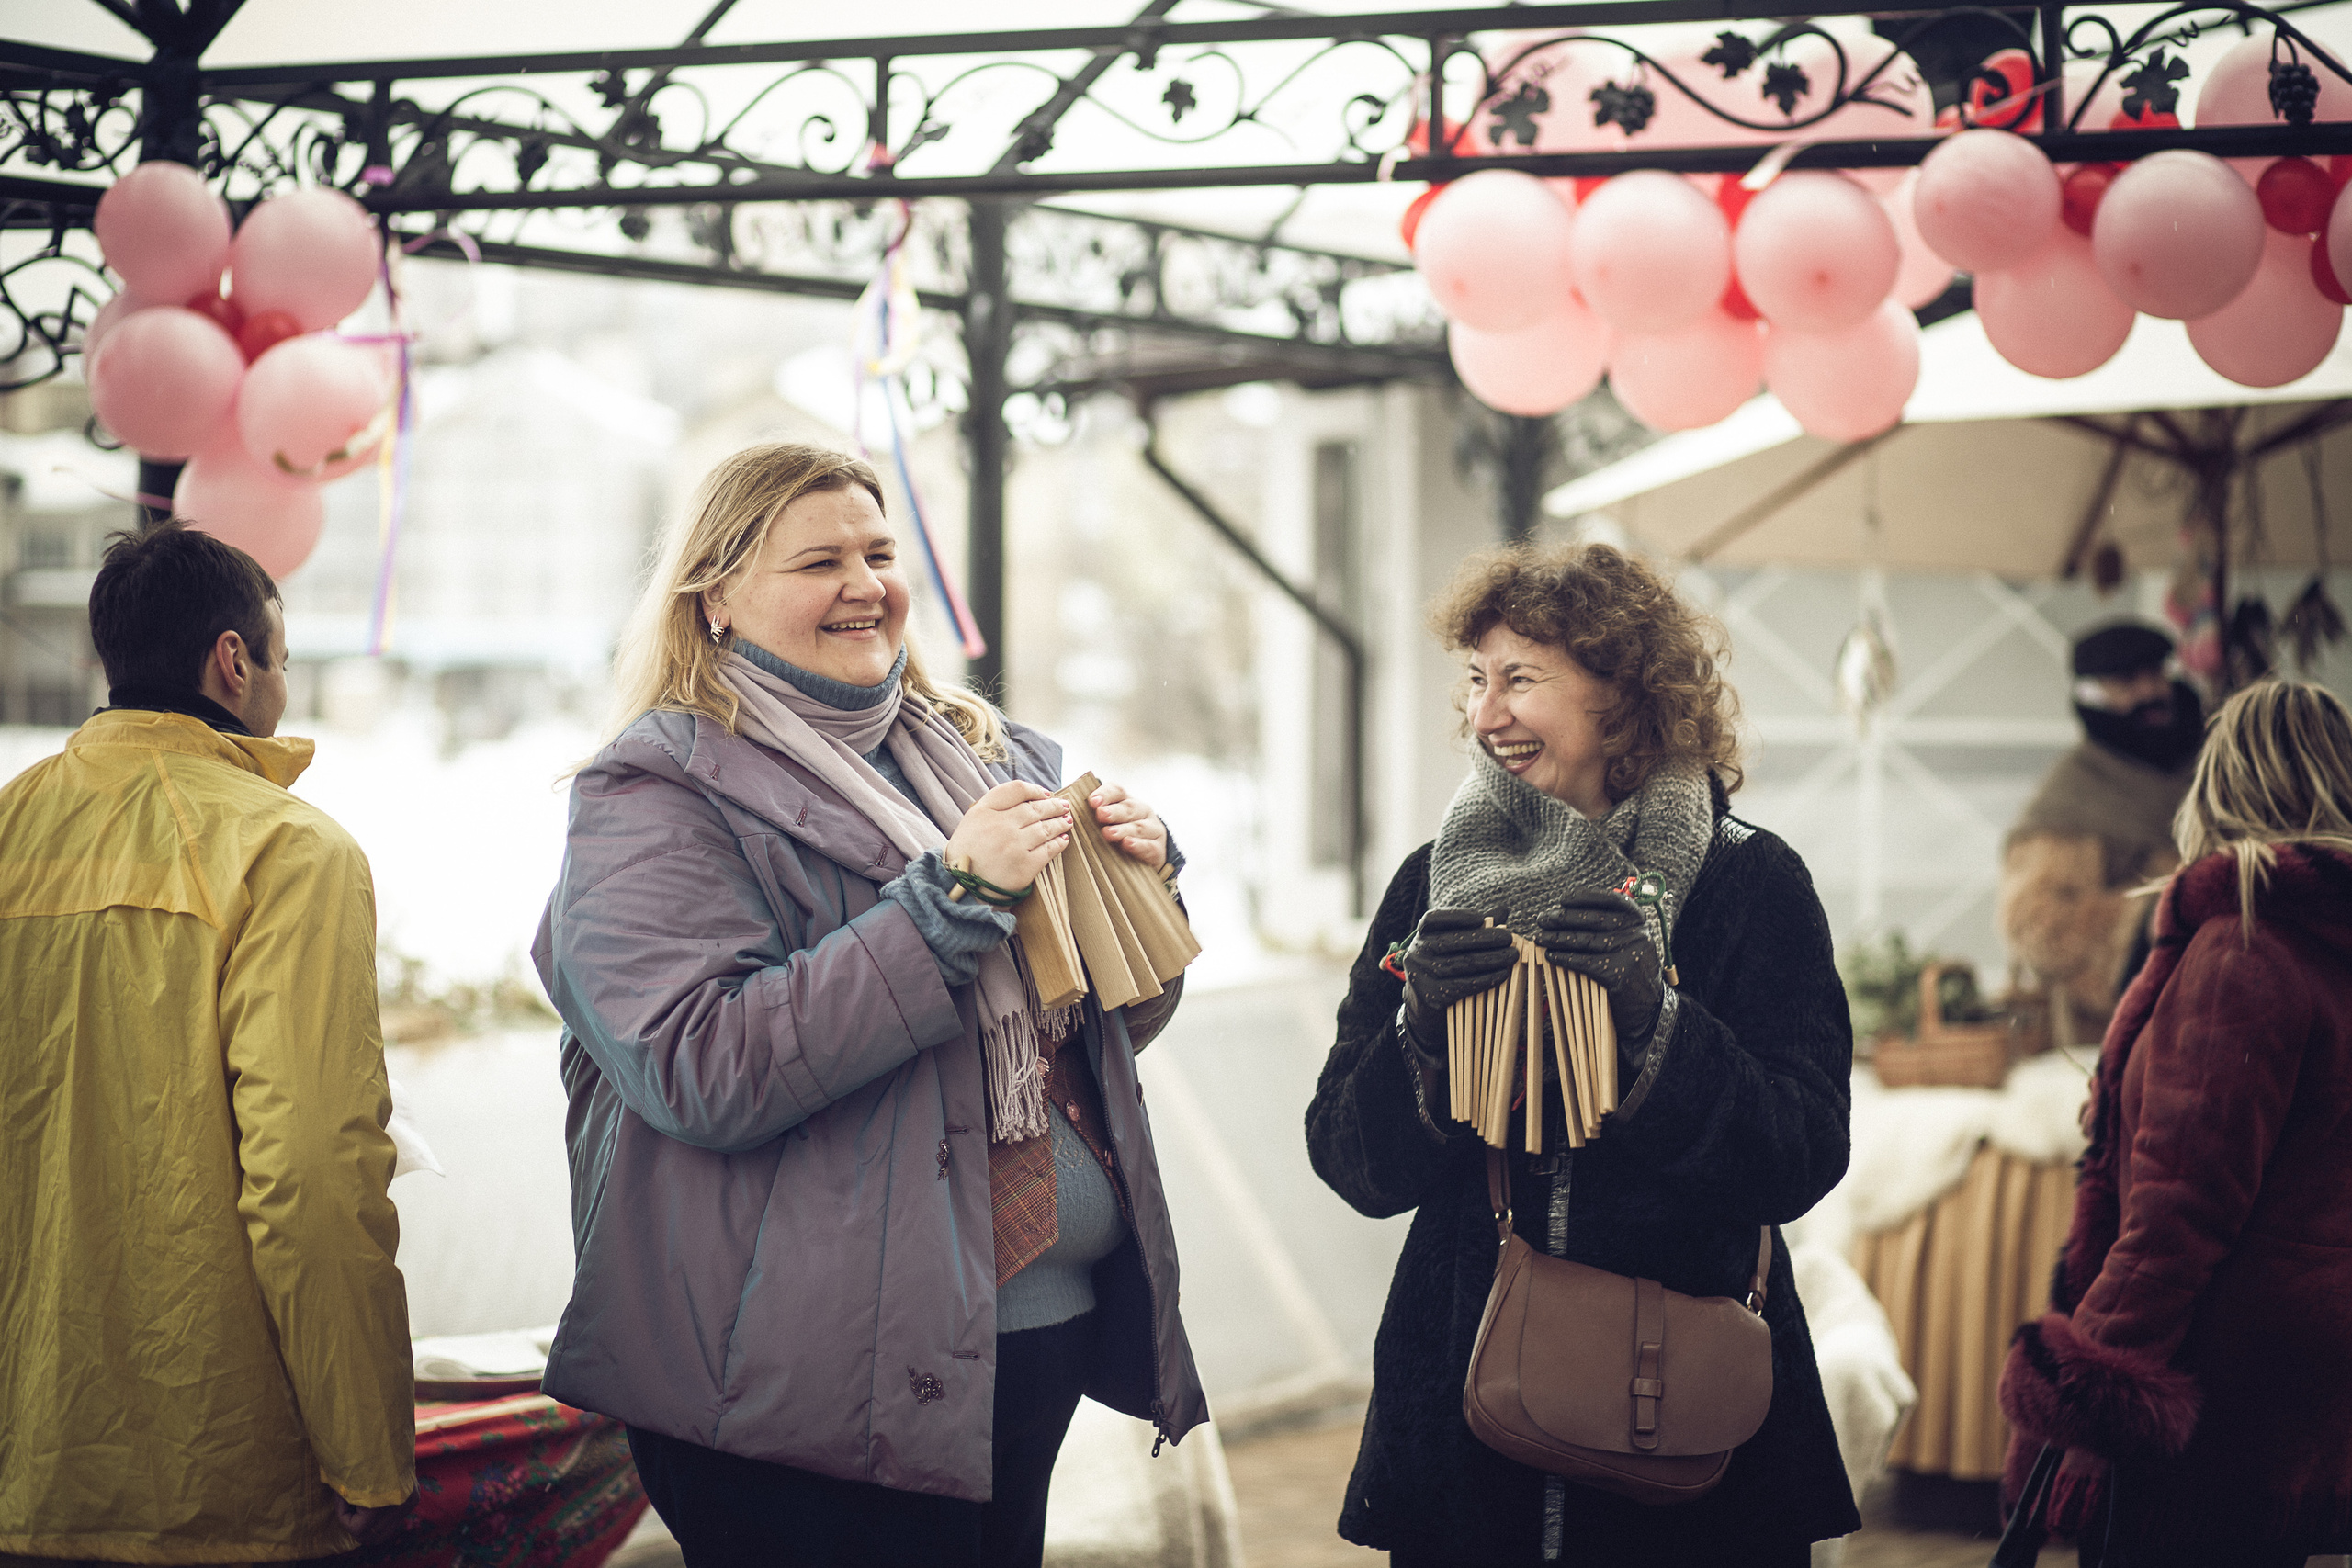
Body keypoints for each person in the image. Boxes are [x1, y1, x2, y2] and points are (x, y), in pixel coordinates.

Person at [533, 443, 1206, 1568]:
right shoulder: (655, 796)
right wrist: (948, 907)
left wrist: (1136, 896)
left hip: (1025, 1342)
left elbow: (1086, 1040)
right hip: (800, 1395)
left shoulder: (983, 759)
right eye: (818, 561)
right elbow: (700, 1068)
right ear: (715, 601)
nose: (864, 583)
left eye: (879, 552)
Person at [1306, 541, 1859, 1566]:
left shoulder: (1751, 884)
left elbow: (1803, 1152)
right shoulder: (1435, 881)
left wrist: (1659, 1027)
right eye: (1476, 680)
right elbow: (1349, 1161)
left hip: (1688, 1439)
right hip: (1468, 1448)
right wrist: (1417, 1035)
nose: (1484, 715)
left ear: (1625, 695)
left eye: (1521, 679)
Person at [0, 521, 413, 1561]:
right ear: (234, 660)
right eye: (282, 655)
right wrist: (366, 1450)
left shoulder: (10, 827)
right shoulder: (288, 848)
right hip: (212, 1475)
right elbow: (311, 1179)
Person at [1998, 680, 2352, 1568]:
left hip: (2220, 1395)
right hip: (2319, 1383)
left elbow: (2176, 1215)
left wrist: (2078, 1404)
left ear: (2219, 786)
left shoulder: (2244, 949)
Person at [1999, 621, 2203, 1044]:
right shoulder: (2073, 794)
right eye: (2127, 681)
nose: (2150, 692)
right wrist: (2159, 918)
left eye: (2157, 673)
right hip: (2114, 1036)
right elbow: (2033, 921)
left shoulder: (2208, 767)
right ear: (2093, 694)